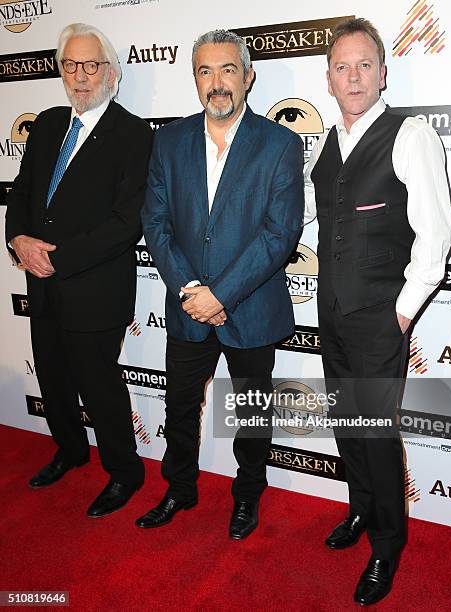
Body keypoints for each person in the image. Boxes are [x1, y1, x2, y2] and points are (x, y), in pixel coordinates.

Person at [304, 17, 451, 606]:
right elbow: (318, 218)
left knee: (375, 433)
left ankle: (388, 546)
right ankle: (361, 512)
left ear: (384, 72)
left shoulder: (409, 134)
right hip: (332, 310)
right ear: (329, 79)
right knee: (348, 427)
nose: (354, 76)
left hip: (378, 317)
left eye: (365, 64)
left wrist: (404, 309)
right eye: (342, 67)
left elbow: (436, 236)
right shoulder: (326, 144)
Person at [139, 29, 304, 539]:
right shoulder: (168, 141)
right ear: (194, 80)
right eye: (205, 72)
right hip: (189, 307)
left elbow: (281, 234)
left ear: (248, 76)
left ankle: (247, 496)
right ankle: (179, 488)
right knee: (181, 406)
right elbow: (156, 222)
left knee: (251, 413)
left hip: (249, 308)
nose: (217, 83)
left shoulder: (280, 143)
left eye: (228, 69)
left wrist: (220, 295)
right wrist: (192, 291)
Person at [5, 23, 153, 518]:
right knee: (51, 376)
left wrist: (57, 258)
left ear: (110, 72)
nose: (80, 76)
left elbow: (125, 221)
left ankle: (125, 472)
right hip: (40, 281)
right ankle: (69, 451)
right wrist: (18, 240)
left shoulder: (132, 133)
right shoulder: (47, 124)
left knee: (100, 386)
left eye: (91, 65)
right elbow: (22, 193)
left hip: (94, 287)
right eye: (70, 65)